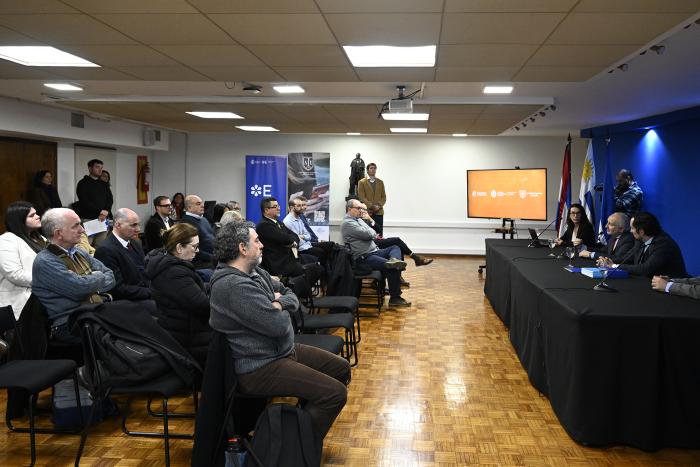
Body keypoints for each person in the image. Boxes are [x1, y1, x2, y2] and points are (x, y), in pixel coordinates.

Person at [209, 221, 350, 438]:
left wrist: (279, 303)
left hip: (281, 350)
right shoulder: (232, 285)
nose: (262, 245)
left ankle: (297, 428)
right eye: (256, 241)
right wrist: (279, 306)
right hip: (258, 366)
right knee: (334, 393)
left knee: (340, 368)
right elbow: (279, 325)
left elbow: (290, 292)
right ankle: (295, 448)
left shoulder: (255, 272)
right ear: (242, 248)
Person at [32, 208, 115, 343]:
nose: (82, 230)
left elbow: (111, 276)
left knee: (135, 321)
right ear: (58, 233)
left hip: (94, 312)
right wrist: (98, 276)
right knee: (119, 338)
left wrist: (88, 283)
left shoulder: (78, 252)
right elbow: (79, 289)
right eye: (76, 225)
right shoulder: (45, 261)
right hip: (70, 322)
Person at [146, 223, 211, 367]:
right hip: (188, 338)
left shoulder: (172, 267)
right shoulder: (174, 272)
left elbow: (193, 289)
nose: (198, 251)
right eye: (194, 246)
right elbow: (203, 307)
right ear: (179, 248)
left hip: (184, 330)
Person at [341, 199, 410, 307]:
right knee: (392, 268)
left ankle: (394, 261)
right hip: (364, 257)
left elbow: (374, 232)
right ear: (349, 209)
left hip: (374, 251)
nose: (361, 211)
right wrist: (371, 232)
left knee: (395, 247)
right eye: (358, 208)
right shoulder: (348, 223)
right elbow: (370, 234)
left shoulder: (357, 220)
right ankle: (395, 298)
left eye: (362, 208)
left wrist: (370, 231)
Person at [598, 212, 687, 278]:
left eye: (632, 228)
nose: (630, 231)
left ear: (641, 232)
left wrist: (613, 266)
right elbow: (626, 258)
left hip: (671, 290)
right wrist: (608, 262)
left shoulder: (664, 244)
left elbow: (644, 269)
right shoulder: (640, 240)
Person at [0, 202, 47, 320]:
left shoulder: (39, 238)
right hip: (21, 299)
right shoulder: (7, 240)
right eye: (32, 215)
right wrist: (49, 279)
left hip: (40, 295)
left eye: (36, 213)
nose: (38, 216)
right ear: (19, 220)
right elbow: (14, 274)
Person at [94, 208, 151, 301]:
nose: (138, 229)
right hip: (129, 302)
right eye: (133, 225)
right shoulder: (105, 250)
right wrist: (152, 293)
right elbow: (117, 288)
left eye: (138, 224)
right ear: (118, 225)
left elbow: (144, 272)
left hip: (145, 293)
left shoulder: (135, 243)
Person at [256, 197, 305, 278]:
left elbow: (294, 235)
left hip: (287, 260)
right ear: (266, 210)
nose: (279, 208)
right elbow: (286, 239)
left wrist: (293, 242)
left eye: (278, 206)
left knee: (309, 270)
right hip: (277, 264)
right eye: (275, 207)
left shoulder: (278, 222)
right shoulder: (264, 225)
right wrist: (291, 241)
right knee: (304, 272)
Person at [283, 197, 326, 265]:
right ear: (292, 207)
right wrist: (303, 237)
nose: (302, 207)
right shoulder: (288, 221)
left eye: (302, 205)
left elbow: (308, 235)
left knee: (328, 247)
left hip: (307, 245)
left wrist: (302, 236)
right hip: (301, 249)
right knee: (322, 252)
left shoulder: (299, 218)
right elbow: (296, 239)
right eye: (299, 206)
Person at [179, 195, 215, 268]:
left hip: (212, 259)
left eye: (202, 203)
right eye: (198, 204)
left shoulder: (204, 219)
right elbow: (191, 248)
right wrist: (213, 257)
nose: (202, 206)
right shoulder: (186, 223)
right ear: (189, 208)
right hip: (200, 263)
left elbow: (212, 238)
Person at [75, 158, 113, 223]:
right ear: (90, 168)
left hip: (104, 217)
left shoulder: (104, 184)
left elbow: (110, 199)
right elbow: (84, 201)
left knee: (105, 233)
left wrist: (106, 211)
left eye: (101, 168)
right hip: (88, 218)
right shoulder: (82, 183)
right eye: (97, 167)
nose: (100, 170)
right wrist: (100, 211)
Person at [357, 162, 386, 235]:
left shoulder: (380, 182)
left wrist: (378, 206)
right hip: (367, 212)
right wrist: (372, 206)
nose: (373, 170)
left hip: (379, 212)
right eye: (371, 168)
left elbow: (384, 197)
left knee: (379, 233)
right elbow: (361, 197)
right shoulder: (362, 182)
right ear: (367, 170)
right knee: (368, 233)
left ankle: (378, 247)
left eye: (374, 168)